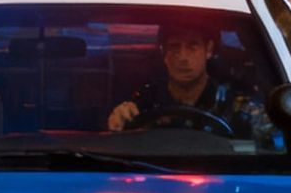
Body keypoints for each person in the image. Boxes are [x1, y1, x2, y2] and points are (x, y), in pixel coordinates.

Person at [108, 24, 269, 139]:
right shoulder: (144, 102)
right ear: (164, 54)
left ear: (209, 50)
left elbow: (268, 140)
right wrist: (118, 121)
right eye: (174, 47)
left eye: (192, 47)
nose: (183, 58)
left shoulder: (235, 104)